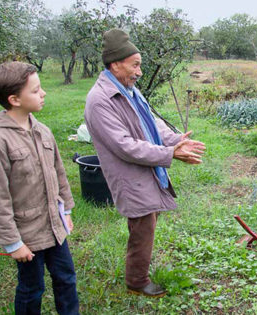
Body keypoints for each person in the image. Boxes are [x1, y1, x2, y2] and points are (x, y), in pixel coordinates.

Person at [84, 29, 206, 297]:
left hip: (147, 170)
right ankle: (136, 281)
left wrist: (175, 140)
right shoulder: (100, 101)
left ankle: (139, 271)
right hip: (130, 174)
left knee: (148, 222)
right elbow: (123, 145)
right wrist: (170, 154)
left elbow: (151, 123)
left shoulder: (128, 90)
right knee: (143, 226)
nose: (139, 72)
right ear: (115, 64)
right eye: (135, 65)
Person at [0, 61, 79, 314]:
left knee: (66, 279)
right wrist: (13, 243)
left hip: (55, 228)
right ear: (14, 99)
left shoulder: (43, 131)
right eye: (35, 91)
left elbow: (59, 173)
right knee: (32, 288)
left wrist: (65, 210)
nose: (43, 93)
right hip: (27, 235)